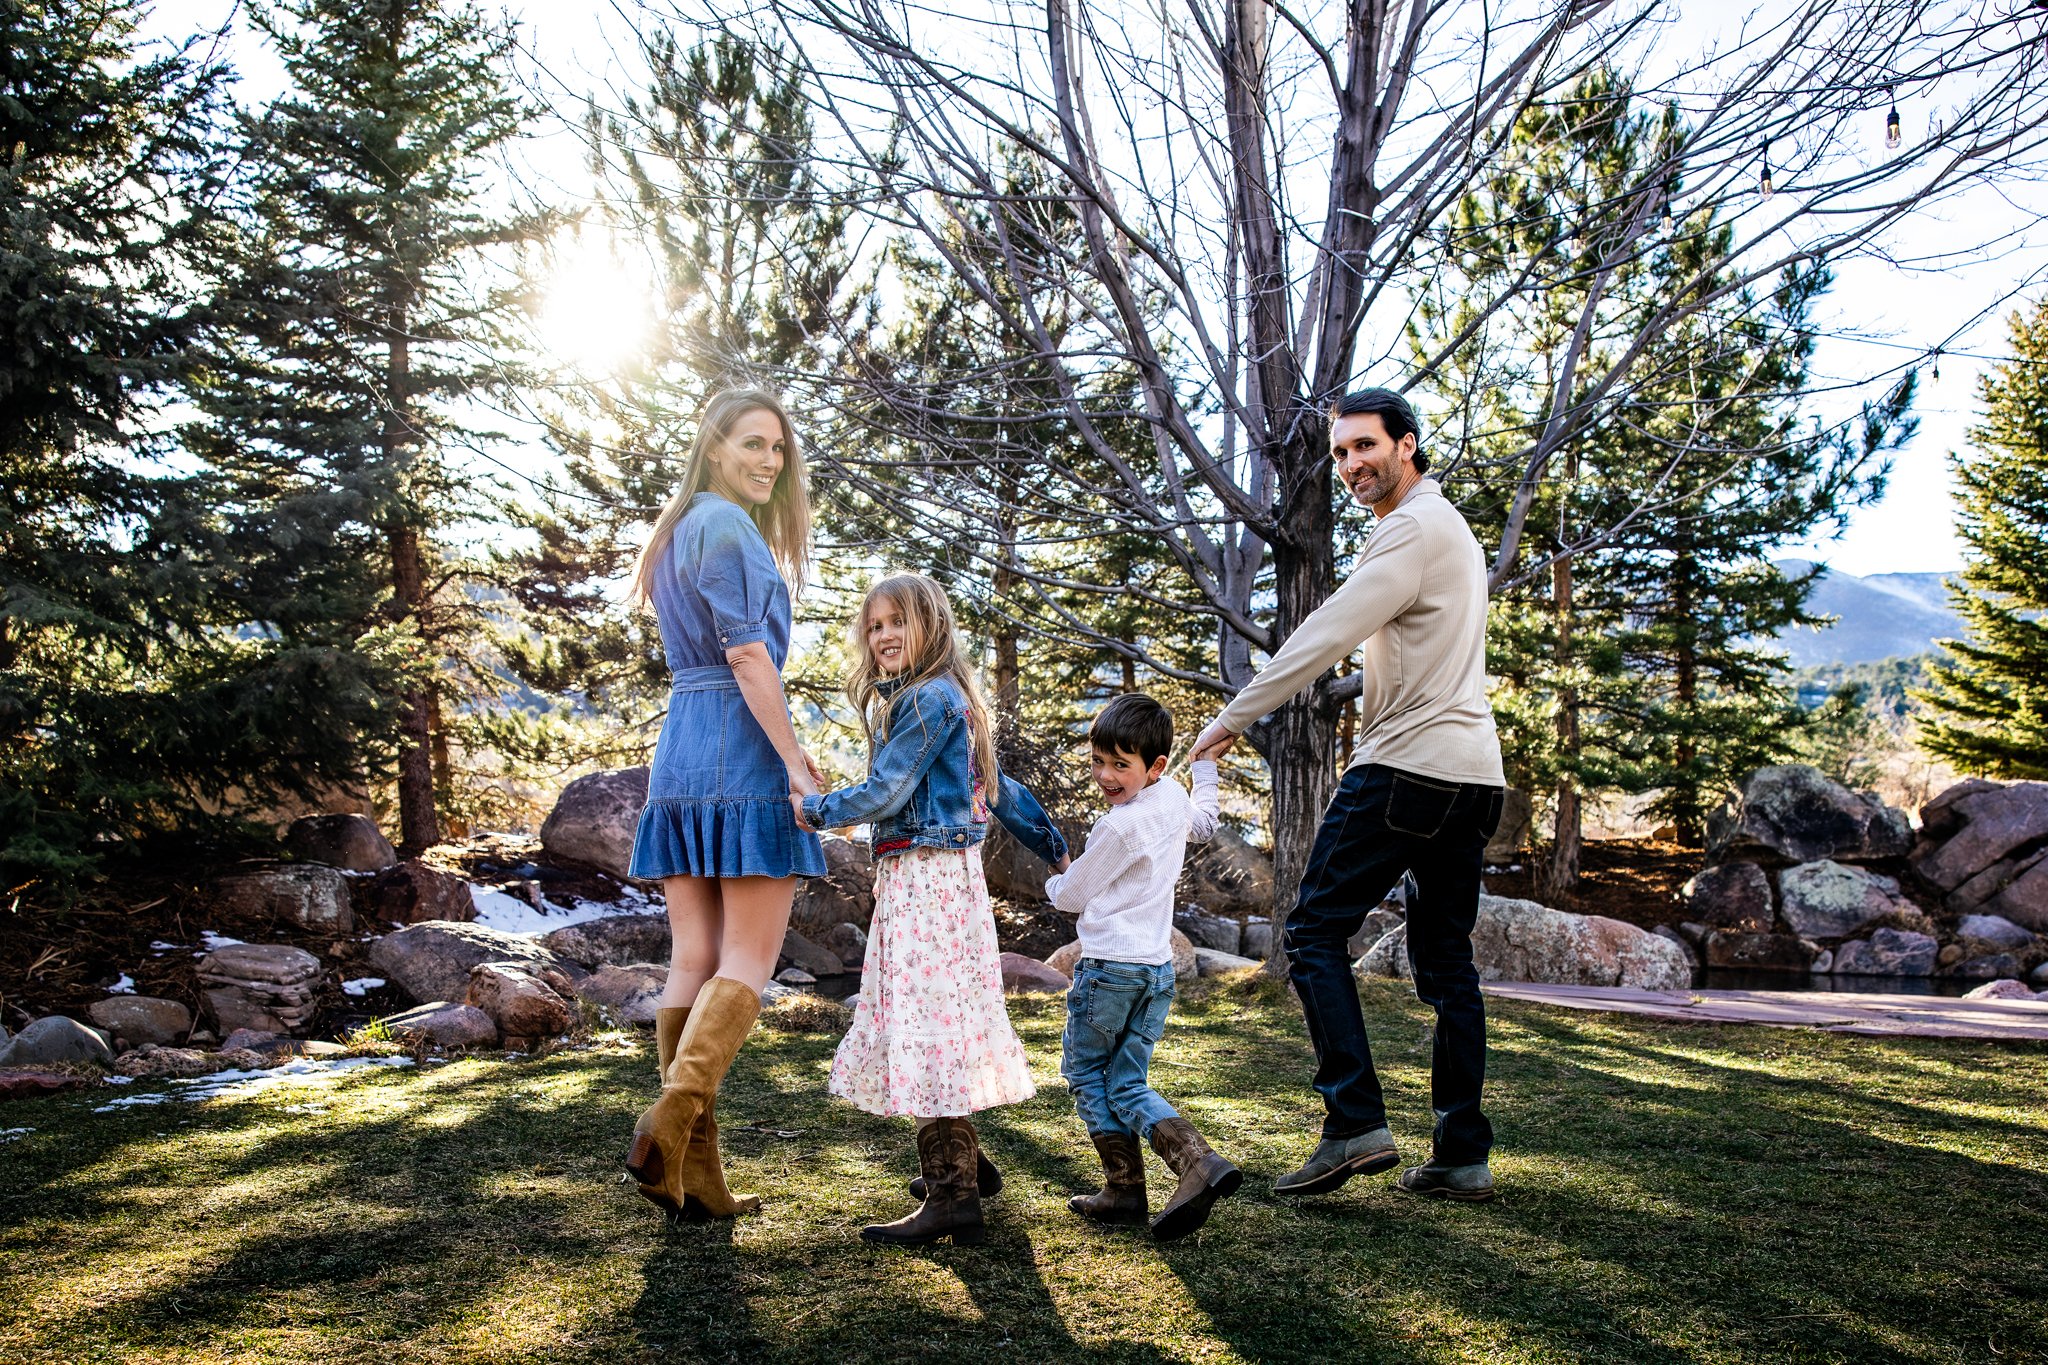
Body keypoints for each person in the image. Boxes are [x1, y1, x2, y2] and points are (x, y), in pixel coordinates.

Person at [1191, 387, 1507, 1203]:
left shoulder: (1410, 529)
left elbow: (1325, 630)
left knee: (1311, 929)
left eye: (1364, 446)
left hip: (1407, 771)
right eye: (1339, 453)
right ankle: (1461, 1153)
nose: (1351, 464)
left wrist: (1235, 715)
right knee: (1447, 967)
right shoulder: (1454, 532)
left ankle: (1353, 1122)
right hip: (1473, 777)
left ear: (1407, 444)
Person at [795, 573, 1069, 1247]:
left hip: (925, 880)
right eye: (874, 625)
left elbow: (888, 790)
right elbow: (1004, 792)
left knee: (924, 1019)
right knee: (937, 1016)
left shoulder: (925, 700)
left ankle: (953, 1193)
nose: (883, 635)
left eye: (897, 622)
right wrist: (1056, 846)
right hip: (948, 882)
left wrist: (813, 811)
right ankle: (963, 1162)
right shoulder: (955, 701)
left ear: (932, 628)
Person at [622, 388, 827, 1222]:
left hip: (680, 747)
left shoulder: (672, 534)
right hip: (739, 745)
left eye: (778, 448)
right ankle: (669, 1117)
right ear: (713, 447)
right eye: (753, 443)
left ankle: (693, 1175)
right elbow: (748, 656)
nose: (769, 461)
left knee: (692, 957)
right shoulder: (732, 529)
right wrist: (795, 762)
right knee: (748, 958)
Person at [1043, 694, 1242, 1241]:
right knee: (1128, 1077)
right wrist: (1205, 769)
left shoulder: (1118, 828)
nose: (1106, 776)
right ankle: (1125, 1192)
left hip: (1109, 969)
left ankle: (1190, 1164)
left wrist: (1054, 877)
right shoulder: (1173, 797)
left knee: (1091, 1075)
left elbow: (1072, 896)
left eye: (1120, 765)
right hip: (1155, 971)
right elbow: (1204, 823)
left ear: (1153, 766)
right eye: (1097, 761)